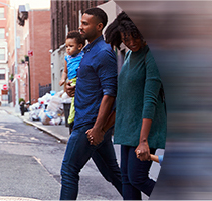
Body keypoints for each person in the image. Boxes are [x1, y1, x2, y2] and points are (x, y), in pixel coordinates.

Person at [94, 14, 168, 200]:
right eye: (126, 39)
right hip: (127, 130)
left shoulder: (151, 56)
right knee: (127, 180)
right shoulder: (128, 55)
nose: (132, 42)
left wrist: (144, 140)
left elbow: (150, 99)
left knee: (138, 178)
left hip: (144, 130)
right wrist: (103, 128)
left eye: (136, 37)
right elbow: (125, 99)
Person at [59, 7, 123, 200]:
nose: (80, 27)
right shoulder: (87, 51)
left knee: (68, 170)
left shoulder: (103, 53)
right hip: (88, 121)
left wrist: (98, 128)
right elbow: (90, 84)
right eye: (81, 22)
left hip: (89, 124)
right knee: (113, 174)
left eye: (85, 24)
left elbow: (110, 93)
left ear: (99, 26)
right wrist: (71, 89)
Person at [62, 30, 85, 127]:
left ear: (79, 46)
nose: (68, 49)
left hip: (79, 78)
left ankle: (71, 119)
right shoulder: (67, 58)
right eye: (66, 46)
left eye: (71, 46)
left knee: (76, 100)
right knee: (74, 99)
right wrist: (63, 79)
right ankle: (72, 119)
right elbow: (65, 71)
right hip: (71, 80)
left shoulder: (83, 55)